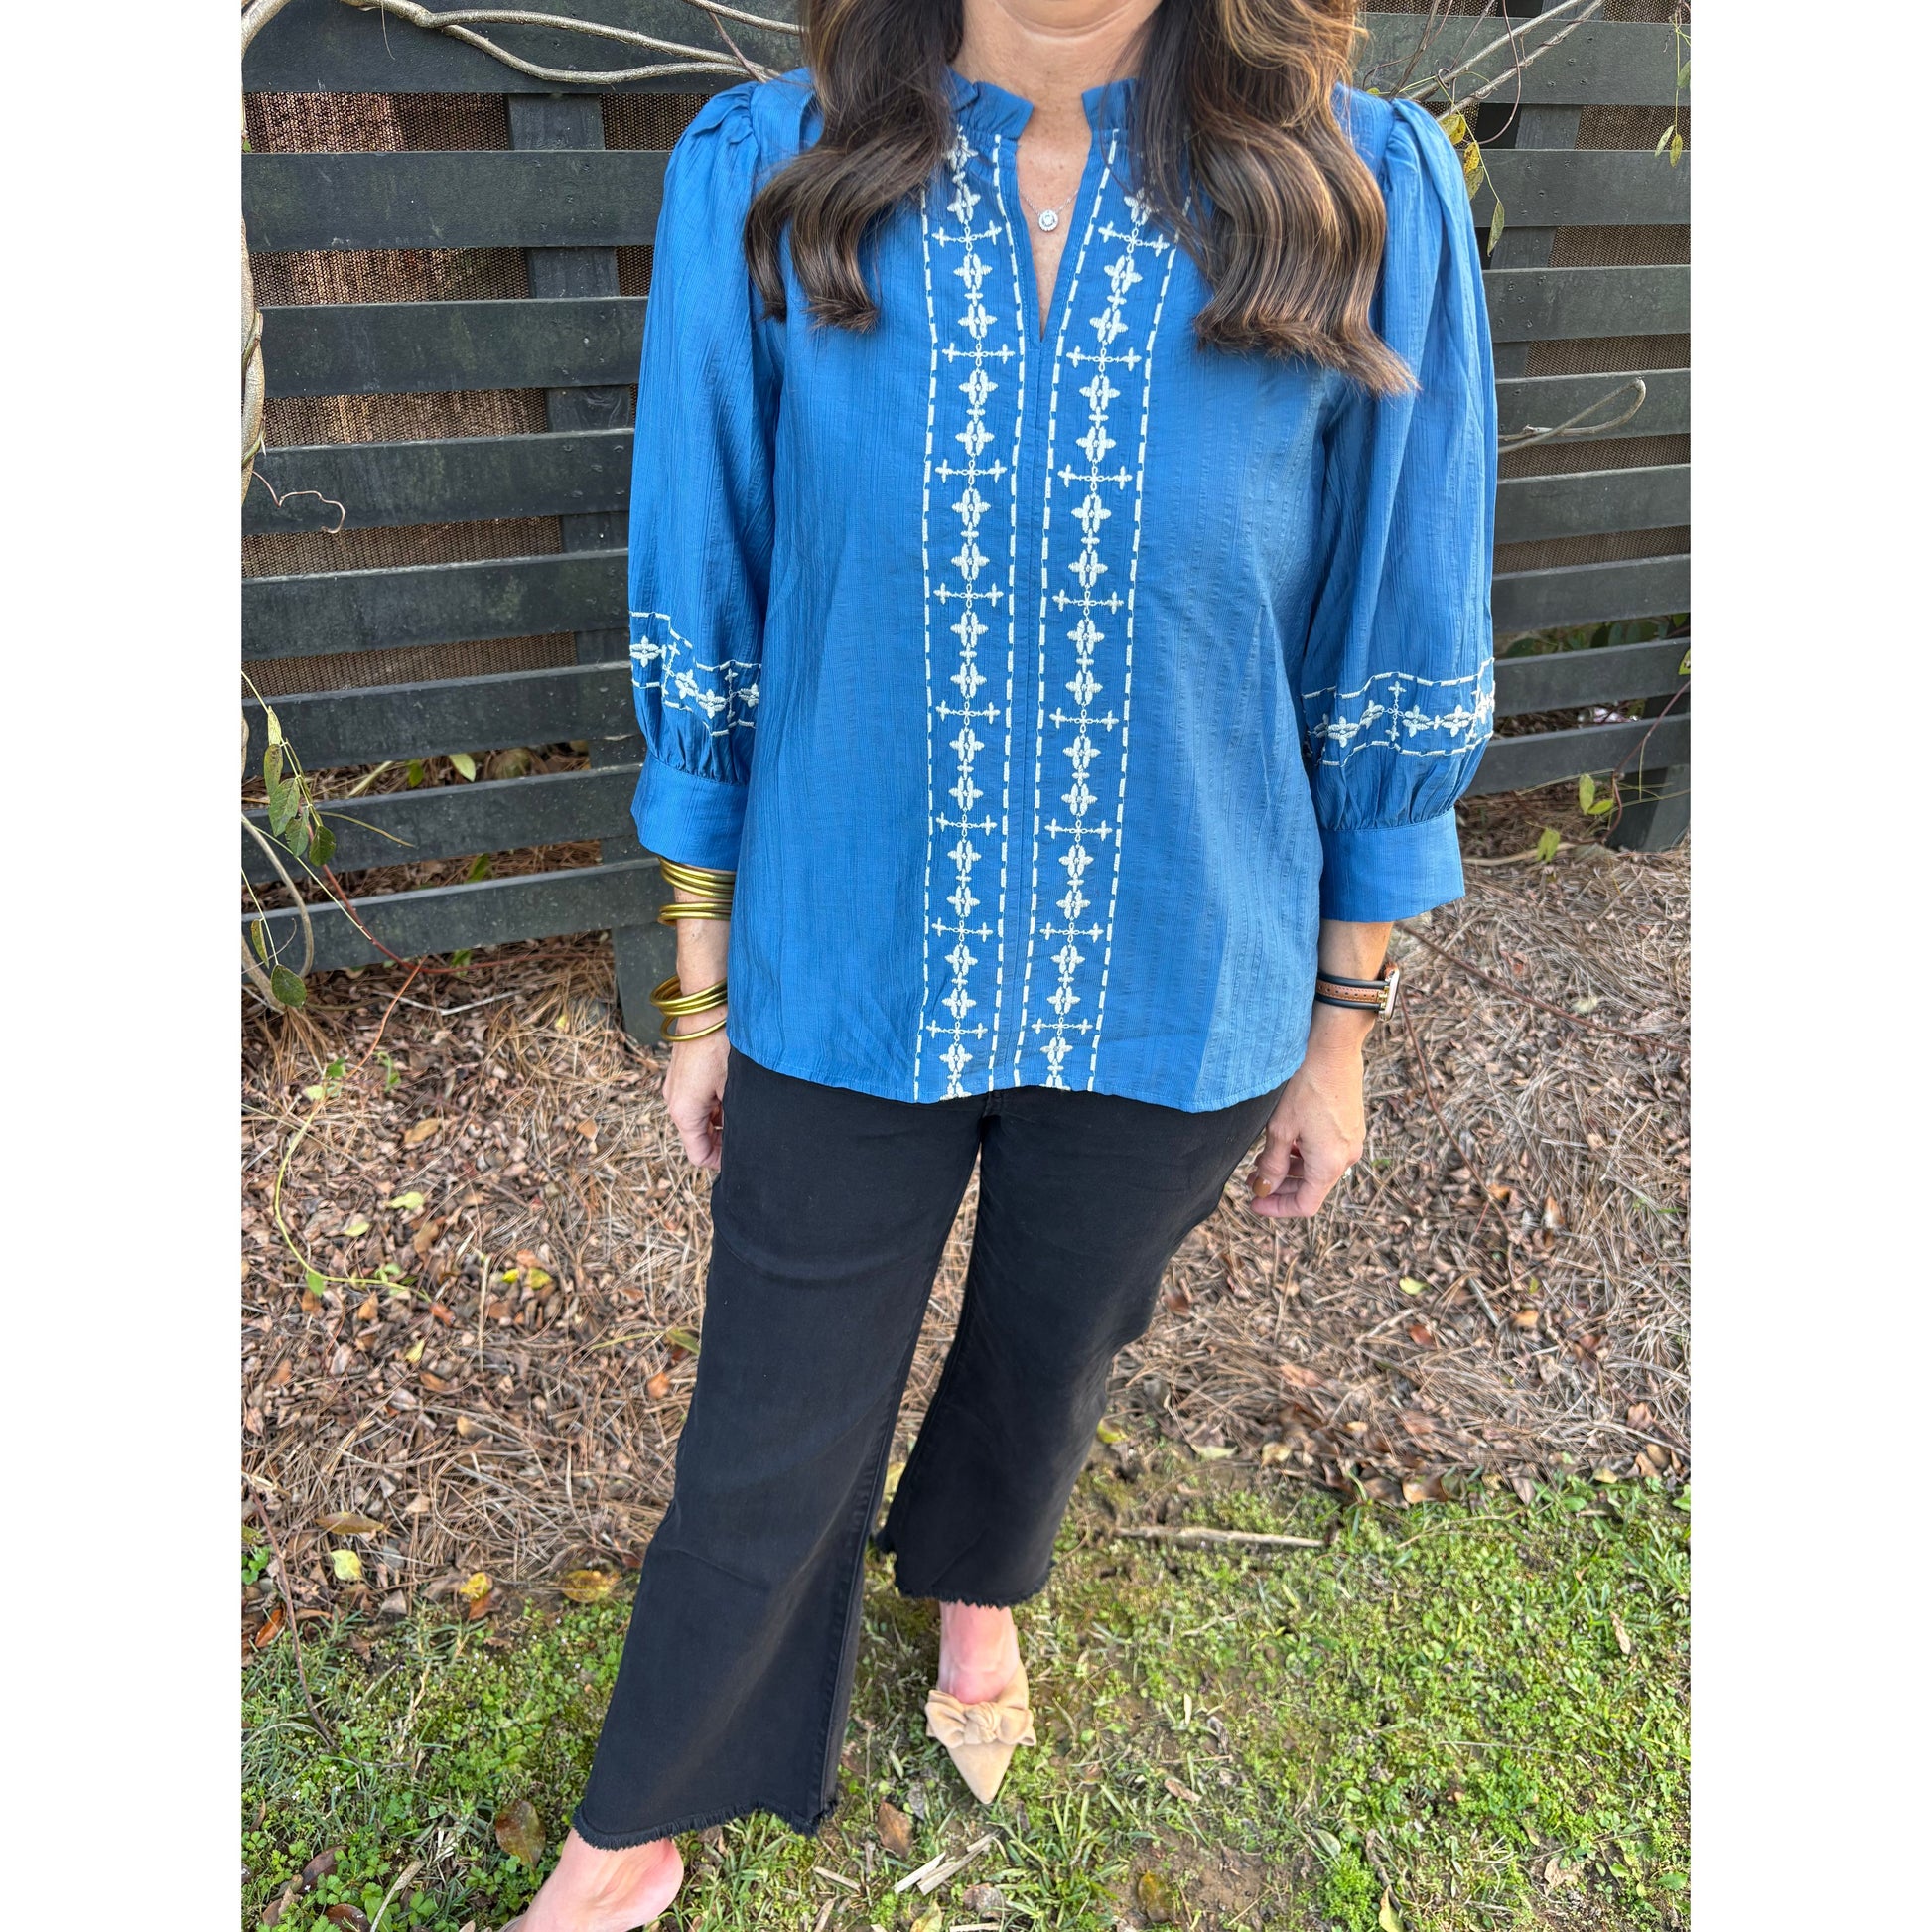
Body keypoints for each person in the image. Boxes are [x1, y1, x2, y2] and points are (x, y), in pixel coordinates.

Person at [515, 0, 1494, 1923]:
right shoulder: (771, 167)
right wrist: (702, 984)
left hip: (1184, 960)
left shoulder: (1360, 185)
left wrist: (1342, 1022)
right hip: (847, 947)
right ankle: (635, 1826)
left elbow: (1395, 598)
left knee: (1054, 1347)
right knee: (770, 1414)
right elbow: (703, 571)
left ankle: (978, 1583)